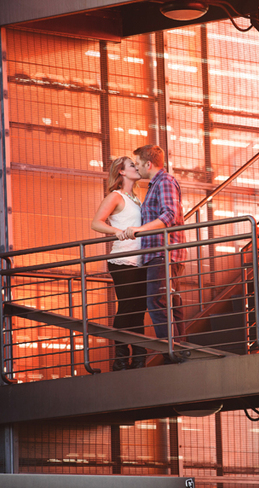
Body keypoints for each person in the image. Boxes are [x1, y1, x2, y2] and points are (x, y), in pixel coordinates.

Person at [120, 145, 186, 363]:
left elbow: (169, 215)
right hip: (160, 254)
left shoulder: (165, 182)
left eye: (138, 164)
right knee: (169, 302)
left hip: (163, 254)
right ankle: (179, 349)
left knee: (157, 302)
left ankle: (172, 352)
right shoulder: (155, 185)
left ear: (148, 164)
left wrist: (140, 229)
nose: (137, 168)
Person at [91, 156, 148, 371]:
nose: (137, 167)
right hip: (122, 260)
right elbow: (96, 222)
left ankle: (139, 358)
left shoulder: (136, 198)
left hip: (140, 260)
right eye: (132, 165)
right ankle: (121, 359)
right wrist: (119, 233)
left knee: (138, 310)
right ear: (122, 172)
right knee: (127, 308)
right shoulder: (115, 196)